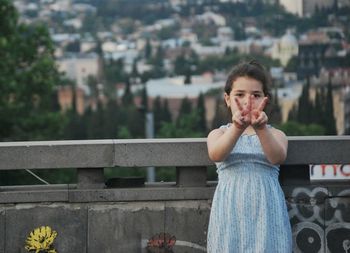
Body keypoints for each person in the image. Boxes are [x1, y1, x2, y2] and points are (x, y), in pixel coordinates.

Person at [206, 60, 292, 252]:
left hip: (267, 210)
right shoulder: (218, 134)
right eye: (240, 95)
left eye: (255, 95)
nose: (247, 101)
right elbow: (216, 153)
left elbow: (277, 157)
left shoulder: (276, 135)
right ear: (227, 99)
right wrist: (238, 127)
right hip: (230, 211)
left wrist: (260, 128)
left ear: (265, 99)